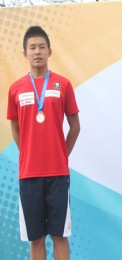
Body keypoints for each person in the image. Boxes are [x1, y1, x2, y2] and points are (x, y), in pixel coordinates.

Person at [7, 26, 80, 260]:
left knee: (60, 236)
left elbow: (75, 126)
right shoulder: (15, 89)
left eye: (41, 47)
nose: (37, 51)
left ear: (49, 51)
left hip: (58, 174)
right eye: (32, 47)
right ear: (25, 54)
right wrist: (29, 152)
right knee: (35, 238)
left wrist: (61, 153)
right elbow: (15, 128)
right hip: (29, 175)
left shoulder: (63, 85)